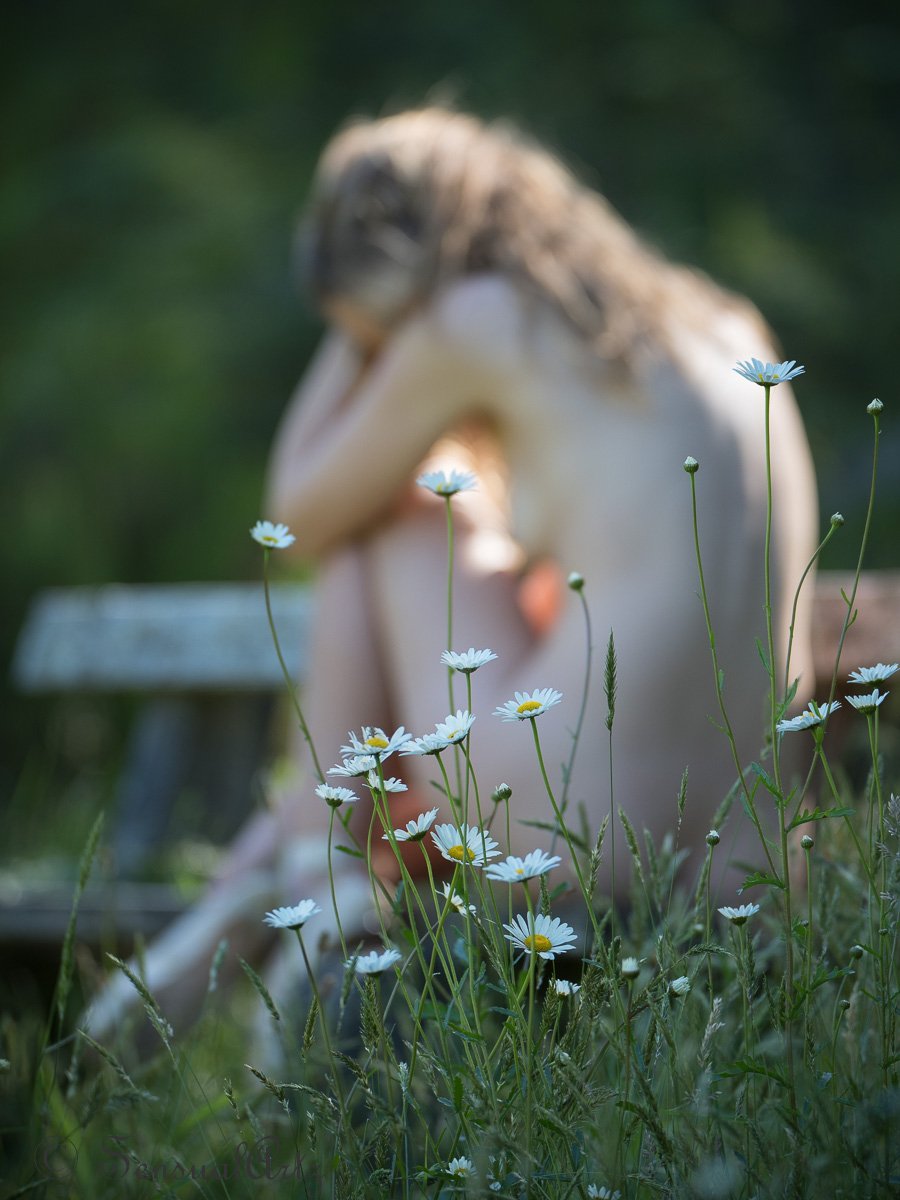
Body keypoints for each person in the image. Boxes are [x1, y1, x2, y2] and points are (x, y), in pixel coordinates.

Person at [86, 107, 817, 1044]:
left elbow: (298, 513)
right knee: (480, 566)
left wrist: (359, 330)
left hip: (574, 825)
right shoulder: (721, 321)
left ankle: (307, 884)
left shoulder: (475, 314)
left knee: (392, 512)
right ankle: (277, 872)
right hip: (747, 864)